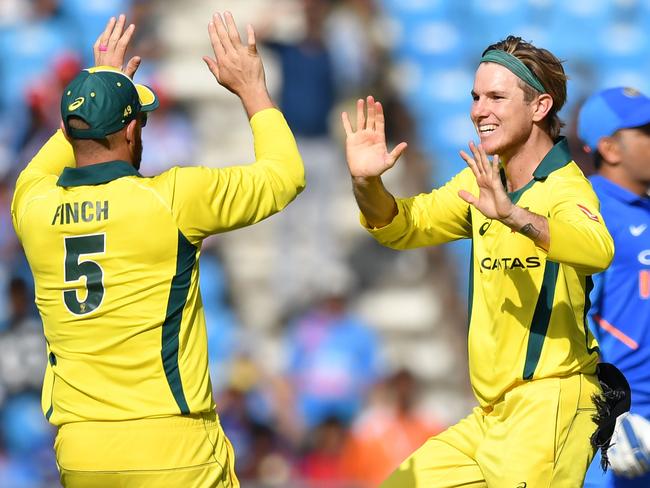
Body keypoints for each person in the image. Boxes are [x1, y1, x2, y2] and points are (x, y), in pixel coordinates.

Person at [10, 11, 304, 488]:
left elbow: (53, 155)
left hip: (82, 451)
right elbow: (285, 175)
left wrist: (98, 86)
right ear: (130, 131)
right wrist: (253, 90)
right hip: (172, 444)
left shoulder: (33, 206)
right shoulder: (173, 199)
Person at [342, 35, 616, 487]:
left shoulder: (566, 187)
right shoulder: (485, 179)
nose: (478, 110)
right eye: (475, 97)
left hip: (547, 407)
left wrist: (514, 216)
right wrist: (366, 183)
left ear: (540, 106)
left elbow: (597, 249)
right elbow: (402, 226)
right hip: (490, 414)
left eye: (495, 97)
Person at [578, 87, 650, 488]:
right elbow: (576, 322)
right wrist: (612, 414)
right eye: (646, 131)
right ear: (610, 147)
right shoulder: (590, 211)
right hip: (622, 433)